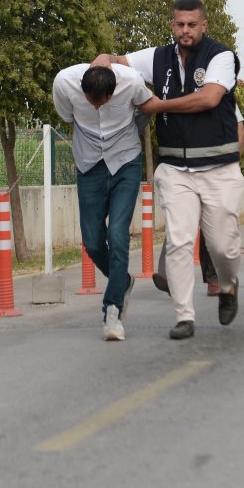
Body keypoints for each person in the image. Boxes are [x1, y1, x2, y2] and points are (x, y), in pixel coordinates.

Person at [95, 0, 244, 340]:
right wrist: (102, 61)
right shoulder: (157, 57)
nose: (185, 31)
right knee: (178, 241)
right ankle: (184, 316)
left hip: (218, 167)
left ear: (203, 26)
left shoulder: (221, 56)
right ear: (172, 25)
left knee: (223, 246)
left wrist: (158, 105)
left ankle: (227, 285)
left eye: (192, 25)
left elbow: (208, 98)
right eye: (179, 24)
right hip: (175, 168)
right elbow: (117, 62)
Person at [53, 63, 154, 341]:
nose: (95, 106)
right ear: (82, 90)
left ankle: (113, 312)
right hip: (89, 165)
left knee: (118, 235)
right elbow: (67, 117)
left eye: (102, 102)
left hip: (125, 162)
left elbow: (146, 106)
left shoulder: (131, 82)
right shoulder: (64, 83)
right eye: (89, 100)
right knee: (93, 242)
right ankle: (122, 280)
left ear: (113, 92)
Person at [153, 106, 244, 297]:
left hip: (214, 172)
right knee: (179, 223)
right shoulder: (177, 94)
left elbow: (239, 127)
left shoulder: (218, 91)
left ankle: (215, 279)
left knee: (212, 228)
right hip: (183, 171)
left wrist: (231, 162)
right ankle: (168, 274)